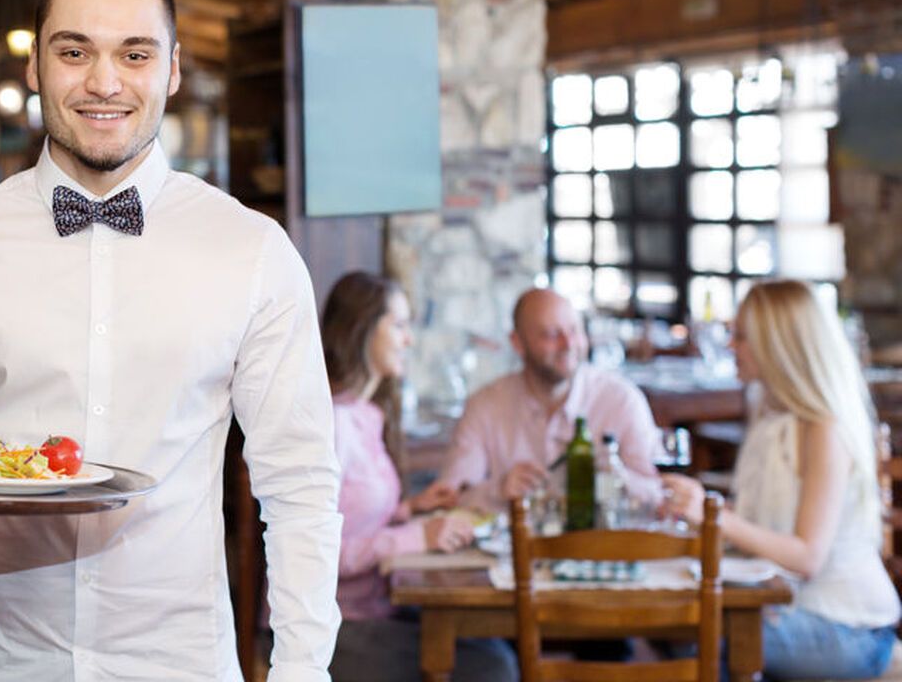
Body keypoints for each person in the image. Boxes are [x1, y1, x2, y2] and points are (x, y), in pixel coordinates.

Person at [0, 0, 342, 681]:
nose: (104, 82)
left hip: (181, 663)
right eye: (74, 51)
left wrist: (301, 671)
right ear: (34, 67)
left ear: (173, 69)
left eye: (135, 53)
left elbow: (302, 486)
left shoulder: (252, 252)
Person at [663, 280, 900, 679]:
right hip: (789, 606)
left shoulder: (824, 426)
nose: (729, 346)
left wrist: (716, 516)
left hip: (849, 627)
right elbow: (765, 520)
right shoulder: (767, 407)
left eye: (740, 336)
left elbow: (807, 557)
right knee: (678, 626)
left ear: (777, 343)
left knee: (700, 635)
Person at [321, 271, 517, 682]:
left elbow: (350, 515)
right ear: (361, 329)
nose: (409, 340)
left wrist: (410, 509)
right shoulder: (335, 425)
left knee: (498, 643)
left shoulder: (364, 416)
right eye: (398, 325)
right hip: (332, 630)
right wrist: (419, 536)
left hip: (374, 610)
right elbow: (317, 554)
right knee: (495, 667)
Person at [427, 287, 661, 511]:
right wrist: (498, 490)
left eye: (575, 331)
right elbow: (450, 496)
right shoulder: (484, 405)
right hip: (509, 549)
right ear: (517, 343)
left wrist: (613, 480)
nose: (568, 344)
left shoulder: (622, 400)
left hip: (603, 546)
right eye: (551, 335)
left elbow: (658, 494)